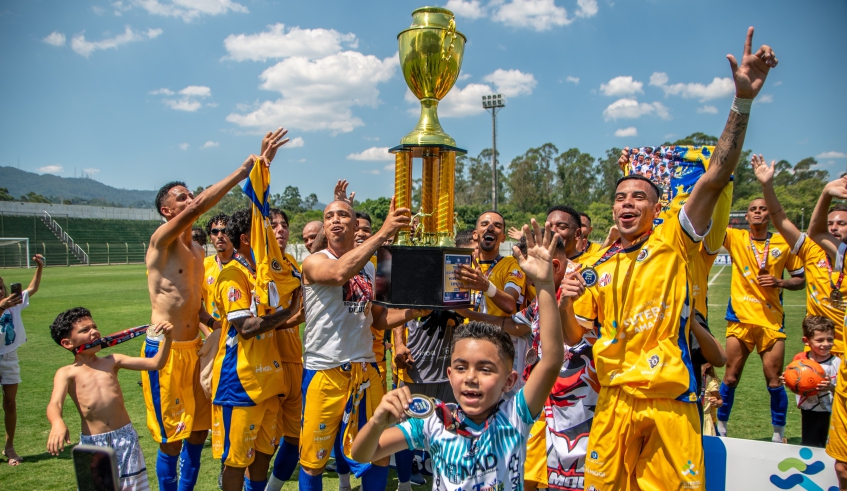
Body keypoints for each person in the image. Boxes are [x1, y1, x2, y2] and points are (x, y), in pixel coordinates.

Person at [560, 27, 777, 490]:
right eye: (621, 197)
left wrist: (742, 103)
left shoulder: (675, 240)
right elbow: (575, 333)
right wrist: (564, 298)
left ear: (658, 209)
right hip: (615, 401)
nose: (628, 204)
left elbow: (716, 175)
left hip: (669, 400)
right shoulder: (596, 264)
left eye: (640, 197)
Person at [350, 218, 566, 491]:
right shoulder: (433, 421)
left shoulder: (516, 414)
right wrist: (378, 420)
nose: (471, 378)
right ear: (450, 375)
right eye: (461, 368)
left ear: (510, 381)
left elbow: (551, 360)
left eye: (486, 369)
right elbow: (361, 454)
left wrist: (545, 284)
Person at [143, 128, 289, 491]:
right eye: (182, 198)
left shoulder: (196, 249)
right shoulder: (161, 240)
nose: (190, 199)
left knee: (197, 432)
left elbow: (193, 303)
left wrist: (213, 322)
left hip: (199, 348)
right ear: (167, 210)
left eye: (191, 194)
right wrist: (243, 172)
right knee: (171, 437)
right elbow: (198, 208)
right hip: (167, 353)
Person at [299, 197, 424, 491]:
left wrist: (415, 311)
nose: (335, 220)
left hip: (366, 370)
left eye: (343, 215)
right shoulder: (315, 261)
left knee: (378, 453)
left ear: (355, 225)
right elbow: (339, 273)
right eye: (329, 216)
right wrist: (382, 234)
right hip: (324, 371)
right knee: (313, 460)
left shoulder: (370, 269)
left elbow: (378, 319)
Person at [210, 209, 302, 491]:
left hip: (269, 380)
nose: (274, 238)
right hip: (240, 382)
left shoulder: (263, 274)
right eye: (266, 233)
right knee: (236, 461)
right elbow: (246, 328)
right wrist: (287, 312)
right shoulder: (233, 275)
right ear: (247, 239)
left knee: (264, 453)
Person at [46, 307, 174, 491]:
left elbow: (156, 364)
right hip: (93, 444)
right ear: (67, 343)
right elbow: (54, 404)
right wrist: (57, 422)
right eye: (85, 330)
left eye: (94, 327)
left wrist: (168, 338)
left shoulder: (112, 360)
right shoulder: (66, 372)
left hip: (125, 439)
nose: (94, 332)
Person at [717, 195, 805, 442]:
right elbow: (711, 221)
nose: (757, 212)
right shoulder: (735, 237)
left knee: (775, 380)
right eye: (753, 209)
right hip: (739, 319)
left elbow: (800, 279)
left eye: (762, 209)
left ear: (770, 215)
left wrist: (780, 282)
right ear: (746, 216)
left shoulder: (783, 243)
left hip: (771, 321)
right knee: (730, 376)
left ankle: (779, 433)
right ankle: (721, 425)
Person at [752, 154, 847, 362]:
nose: (834, 228)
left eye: (841, 224)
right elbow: (781, 220)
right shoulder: (812, 251)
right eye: (830, 223)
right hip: (818, 350)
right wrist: (767, 185)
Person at [456, 211, 530, 394]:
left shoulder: (511, 265)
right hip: (468, 346)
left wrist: (486, 286)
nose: (490, 227)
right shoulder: (463, 266)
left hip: (499, 349)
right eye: (485, 224)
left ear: (503, 238)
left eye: (497, 226)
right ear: (475, 234)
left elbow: (510, 304)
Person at [806, 176, 847, 488]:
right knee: (843, 467)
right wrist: (825, 193)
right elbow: (816, 232)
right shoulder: (841, 254)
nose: (835, 229)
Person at [265, 207, 307, 491]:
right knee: (262, 438)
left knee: (294, 436)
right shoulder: (257, 263)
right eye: (274, 225)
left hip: (293, 358)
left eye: (284, 225)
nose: (280, 229)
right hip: (264, 360)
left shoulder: (293, 263)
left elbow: (303, 309)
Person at [0, 253, 44, 466]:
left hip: (9, 356)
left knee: (10, 403)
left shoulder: (14, 303)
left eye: (1, 286)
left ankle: (9, 447)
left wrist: (39, 268)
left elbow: (33, 289)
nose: (0, 290)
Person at [787, 316, 840, 448]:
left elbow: (842, 391)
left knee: (831, 447)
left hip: (832, 413)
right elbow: (794, 382)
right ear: (806, 341)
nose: (826, 344)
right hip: (809, 411)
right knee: (810, 446)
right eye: (820, 340)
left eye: (830, 339)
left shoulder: (838, 363)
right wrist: (787, 379)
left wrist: (831, 387)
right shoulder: (800, 363)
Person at [201, 213, 234, 334]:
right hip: (215, 337)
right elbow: (195, 307)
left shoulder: (244, 265)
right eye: (215, 232)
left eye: (224, 231)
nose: (220, 236)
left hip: (241, 339)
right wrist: (209, 330)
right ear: (210, 237)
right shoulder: (203, 266)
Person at [701, 363, 722, 437]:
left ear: (708, 365)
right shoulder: (686, 379)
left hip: (704, 421)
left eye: (701, 364)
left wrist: (716, 402)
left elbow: (719, 400)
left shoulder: (710, 382)